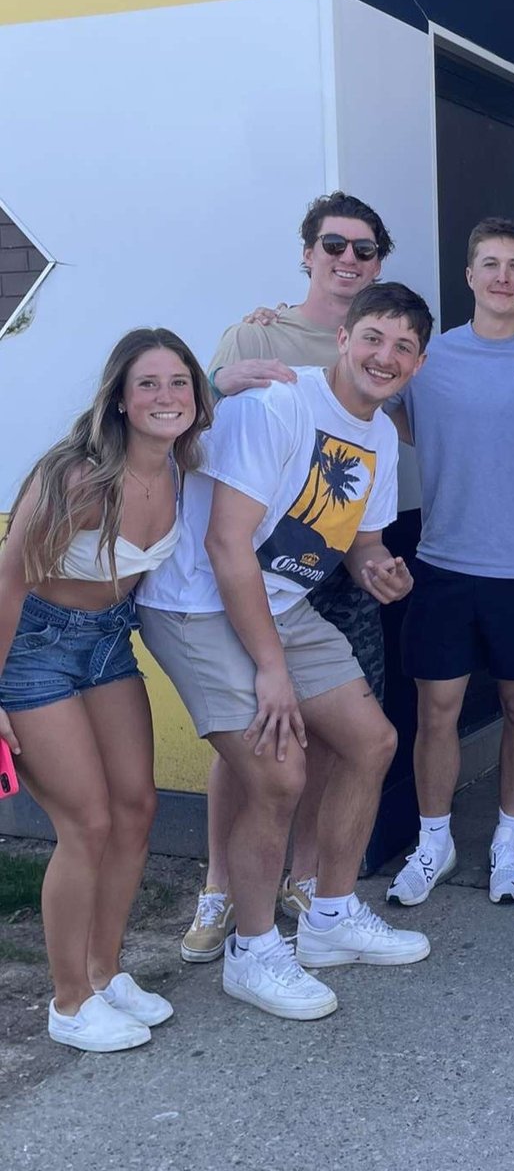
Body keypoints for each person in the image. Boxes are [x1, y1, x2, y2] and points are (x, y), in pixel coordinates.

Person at [138, 283, 434, 1021]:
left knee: (373, 742)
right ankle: (254, 951)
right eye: (373, 337)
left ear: (418, 364)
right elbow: (225, 542)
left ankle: (330, 919)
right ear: (343, 339)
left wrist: (378, 569)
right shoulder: (281, 404)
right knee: (279, 775)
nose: (384, 356)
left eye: (403, 346)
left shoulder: (381, 439)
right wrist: (271, 669)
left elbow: (361, 539)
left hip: (279, 601)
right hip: (197, 603)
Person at [180, 191, 393, 963]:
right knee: (248, 741)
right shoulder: (254, 331)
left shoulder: (380, 339)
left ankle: (306, 882)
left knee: (336, 739)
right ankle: (219, 892)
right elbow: (187, 420)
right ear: (307, 253)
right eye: (334, 245)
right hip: (255, 570)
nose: (348, 260)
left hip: (337, 567)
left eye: (364, 250)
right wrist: (220, 378)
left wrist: (375, 557)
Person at [0, 328, 212, 1050]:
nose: (165, 396)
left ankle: (103, 972)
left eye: (178, 382)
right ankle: (66, 1004)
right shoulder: (78, 476)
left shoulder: (182, 468)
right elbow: (8, 578)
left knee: (136, 808)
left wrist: (238, 366)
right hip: (33, 649)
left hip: (107, 643)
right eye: (147, 383)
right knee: (86, 823)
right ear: (118, 399)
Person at [383, 218, 514, 908]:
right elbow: (367, 398)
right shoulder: (424, 359)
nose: (503, 276)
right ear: (469, 276)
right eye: (490, 263)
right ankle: (433, 842)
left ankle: (508, 842)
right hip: (442, 565)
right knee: (434, 711)